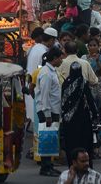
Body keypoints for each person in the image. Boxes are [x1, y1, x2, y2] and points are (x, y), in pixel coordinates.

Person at [60, 61, 98, 165]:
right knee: (84, 143)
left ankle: (72, 166)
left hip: (69, 120)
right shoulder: (82, 82)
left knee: (71, 143)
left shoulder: (65, 83)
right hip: (82, 119)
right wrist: (95, 115)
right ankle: (85, 164)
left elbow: (62, 102)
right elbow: (90, 100)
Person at [34, 49, 63, 177]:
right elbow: (44, 95)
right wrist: (47, 115)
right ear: (55, 58)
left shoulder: (51, 71)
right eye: (60, 58)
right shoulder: (46, 73)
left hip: (53, 109)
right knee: (47, 138)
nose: (61, 60)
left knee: (50, 138)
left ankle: (49, 165)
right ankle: (45, 167)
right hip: (48, 111)